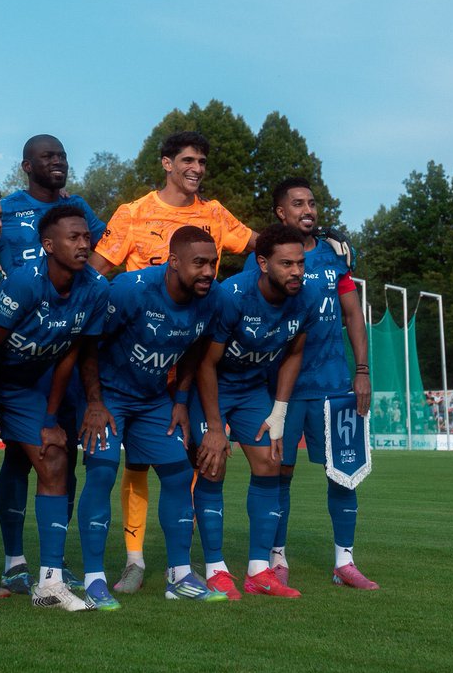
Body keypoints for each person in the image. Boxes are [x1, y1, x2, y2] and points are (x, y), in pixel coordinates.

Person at [88, 131, 256, 594]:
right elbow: (97, 272)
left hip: (187, 362)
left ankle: (191, 565)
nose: (196, 168)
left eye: (202, 160)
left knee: (187, 462)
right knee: (134, 466)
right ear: (166, 163)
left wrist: (319, 249)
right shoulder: (133, 214)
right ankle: (135, 559)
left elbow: (263, 247)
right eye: (187, 159)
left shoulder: (216, 214)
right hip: (132, 363)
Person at [75, 226, 227, 611]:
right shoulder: (131, 289)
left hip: (154, 398)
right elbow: (89, 344)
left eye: (212, 262)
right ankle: (94, 580)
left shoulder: (212, 299)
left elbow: (194, 351)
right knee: (103, 472)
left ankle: (179, 575)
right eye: (199, 263)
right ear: (173, 262)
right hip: (108, 396)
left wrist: (180, 400)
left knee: (178, 473)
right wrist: (94, 402)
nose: (209, 271)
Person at [0, 204, 110, 612]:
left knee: (53, 460)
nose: (84, 244)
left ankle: (49, 582)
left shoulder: (97, 289)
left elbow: (70, 355)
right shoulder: (22, 283)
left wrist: (50, 419)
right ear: (48, 245)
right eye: (73, 238)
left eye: (86, 237)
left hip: (27, 385)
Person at [0, 135, 106, 593]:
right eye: (47, 156)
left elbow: (102, 251)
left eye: (61, 155)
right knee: (19, 460)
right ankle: (14, 560)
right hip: (15, 349)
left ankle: (53, 567)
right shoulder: (5, 209)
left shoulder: (79, 207)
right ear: (27, 166)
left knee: (62, 457)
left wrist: (86, 285)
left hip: (60, 353)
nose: (57, 162)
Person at [186, 223, 313, 600]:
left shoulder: (305, 297)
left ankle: (259, 570)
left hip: (252, 390)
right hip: (212, 387)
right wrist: (214, 428)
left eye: (301, 263)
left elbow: (294, 354)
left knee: (270, 464)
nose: (296, 272)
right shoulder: (231, 297)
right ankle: (216, 569)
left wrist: (279, 410)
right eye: (287, 264)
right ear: (262, 263)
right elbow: (206, 364)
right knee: (213, 463)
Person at [261, 178, 377, 590]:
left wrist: (361, 371)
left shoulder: (334, 256)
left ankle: (344, 562)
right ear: (281, 212)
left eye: (312, 203)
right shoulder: (266, 256)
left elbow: (352, 314)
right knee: (279, 473)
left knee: (344, 474)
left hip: (334, 385)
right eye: (298, 204)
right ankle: (276, 558)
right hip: (283, 389)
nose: (308, 210)